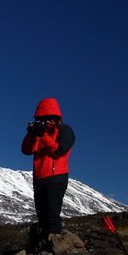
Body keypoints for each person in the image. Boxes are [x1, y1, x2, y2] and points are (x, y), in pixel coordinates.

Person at [21, 98, 75, 247]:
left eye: (46, 119)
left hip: (56, 178)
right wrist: (31, 134)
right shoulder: (39, 133)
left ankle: (56, 247)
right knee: (42, 217)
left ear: (55, 118)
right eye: (41, 119)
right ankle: (44, 246)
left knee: (52, 216)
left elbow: (59, 150)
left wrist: (43, 135)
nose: (44, 122)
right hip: (39, 179)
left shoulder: (65, 130)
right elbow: (26, 150)